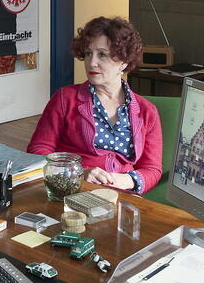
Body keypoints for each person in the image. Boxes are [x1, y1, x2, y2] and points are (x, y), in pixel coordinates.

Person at [27, 16, 163, 193]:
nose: (92, 63)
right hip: (73, 190)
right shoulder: (64, 99)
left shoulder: (147, 111)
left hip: (122, 196)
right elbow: (38, 150)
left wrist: (126, 180)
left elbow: (152, 169)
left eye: (102, 55)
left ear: (124, 61)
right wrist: (78, 174)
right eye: (88, 53)